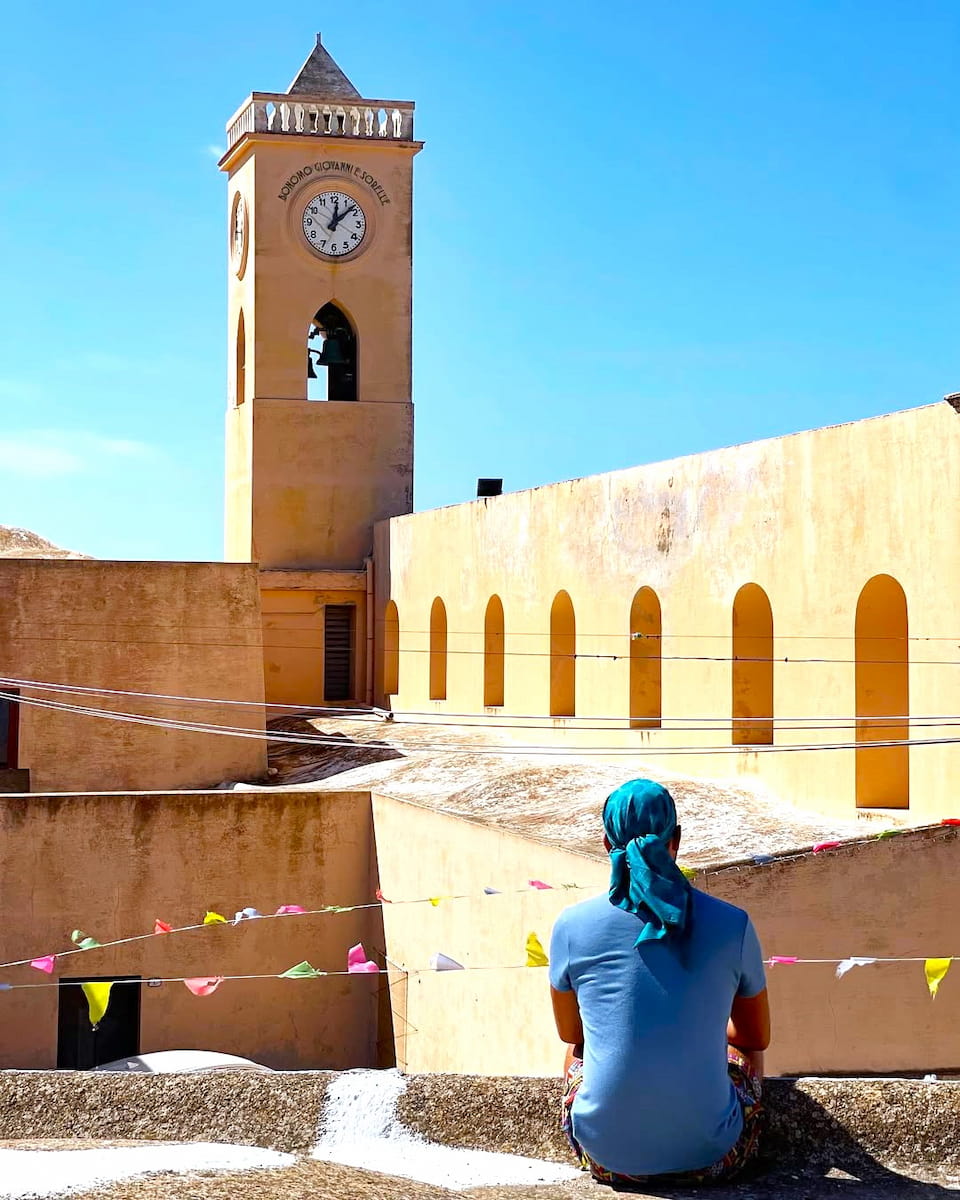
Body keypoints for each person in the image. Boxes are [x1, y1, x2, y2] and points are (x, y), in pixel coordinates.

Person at [549, 777, 770, 1186]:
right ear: (677, 840)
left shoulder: (571, 926)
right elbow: (755, 1037)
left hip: (606, 1158)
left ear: (605, 843)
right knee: (741, 1053)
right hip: (714, 1156)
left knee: (579, 1048)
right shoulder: (733, 923)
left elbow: (573, 1033)